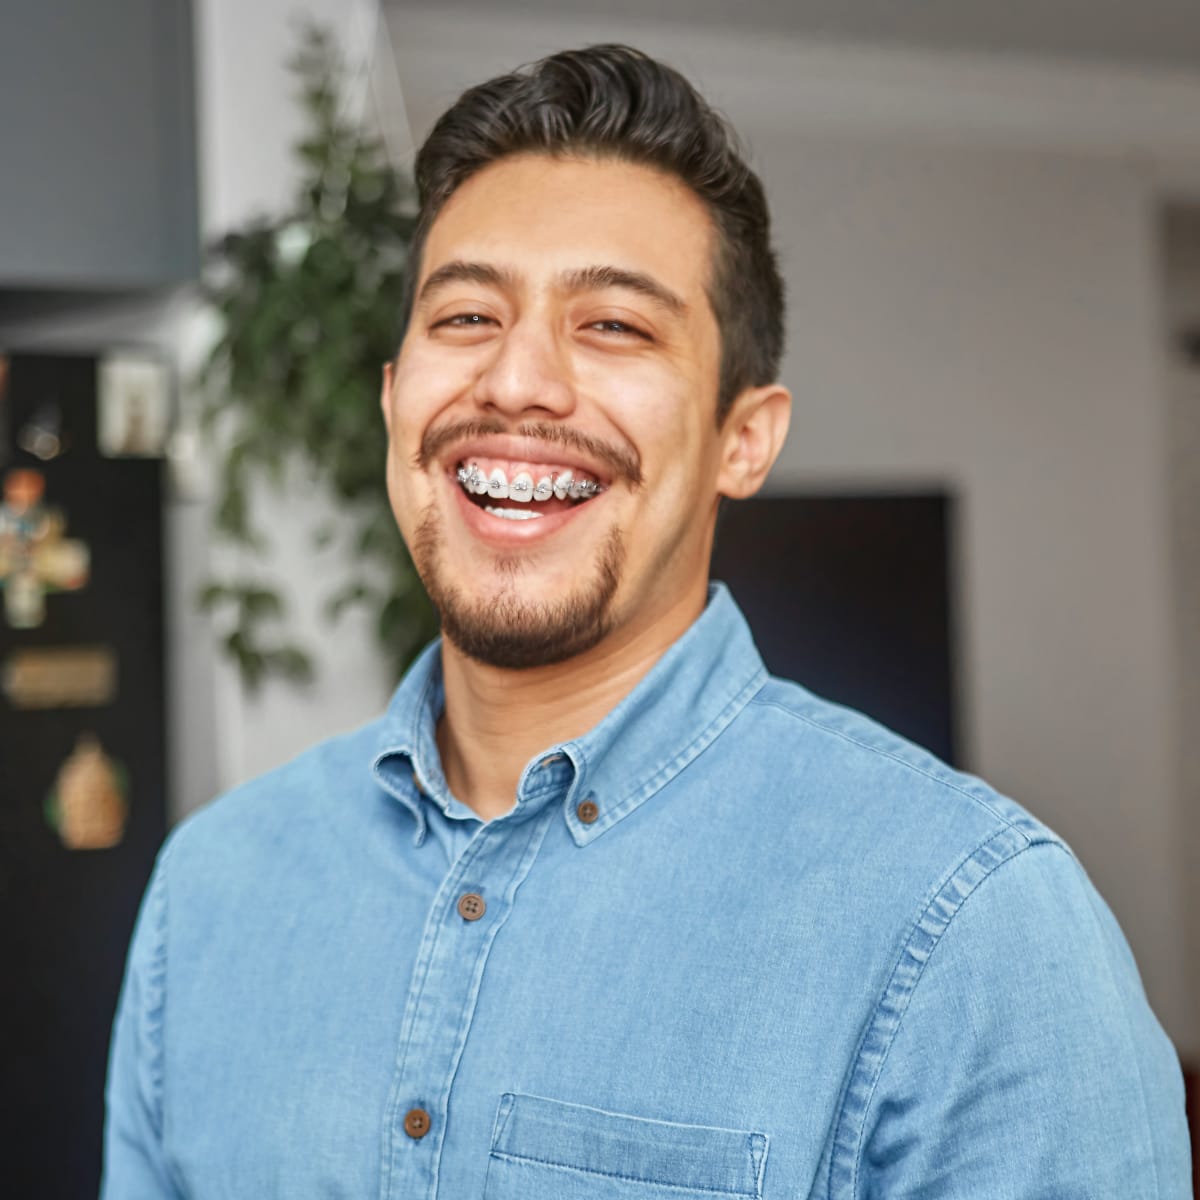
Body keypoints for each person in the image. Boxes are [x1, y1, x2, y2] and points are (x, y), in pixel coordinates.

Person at [102, 44, 1191, 1198]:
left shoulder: (974, 928)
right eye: (466, 315)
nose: (517, 382)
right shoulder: (211, 894)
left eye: (615, 326)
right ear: (392, 398)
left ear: (745, 437)